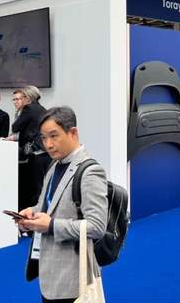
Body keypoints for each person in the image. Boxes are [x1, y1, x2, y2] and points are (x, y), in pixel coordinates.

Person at [18, 106, 108, 303]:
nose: (48, 144)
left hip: (74, 275)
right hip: (49, 268)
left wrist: (51, 225)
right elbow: (47, 206)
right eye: (43, 138)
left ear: (73, 133)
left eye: (54, 136)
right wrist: (31, 214)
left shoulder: (90, 172)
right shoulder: (54, 166)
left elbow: (97, 226)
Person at [10, 86, 47, 209]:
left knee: (32, 188)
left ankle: (32, 214)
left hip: (34, 153)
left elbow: (15, 127)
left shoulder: (28, 108)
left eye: (23, 97)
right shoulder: (42, 108)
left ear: (29, 97)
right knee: (39, 186)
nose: (21, 100)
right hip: (44, 153)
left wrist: (18, 113)